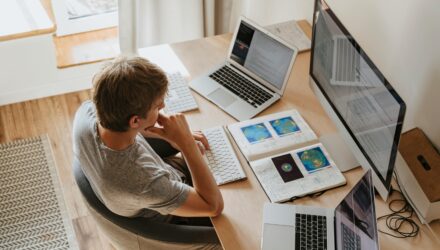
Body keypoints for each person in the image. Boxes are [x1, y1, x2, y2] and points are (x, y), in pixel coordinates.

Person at [72, 56, 223, 228]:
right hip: (176, 217)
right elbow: (213, 206)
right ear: (135, 121)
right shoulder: (144, 182)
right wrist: (186, 144)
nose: (163, 107)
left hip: (155, 182)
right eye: (158, 106)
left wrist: (170, 136)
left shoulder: (87, 112)